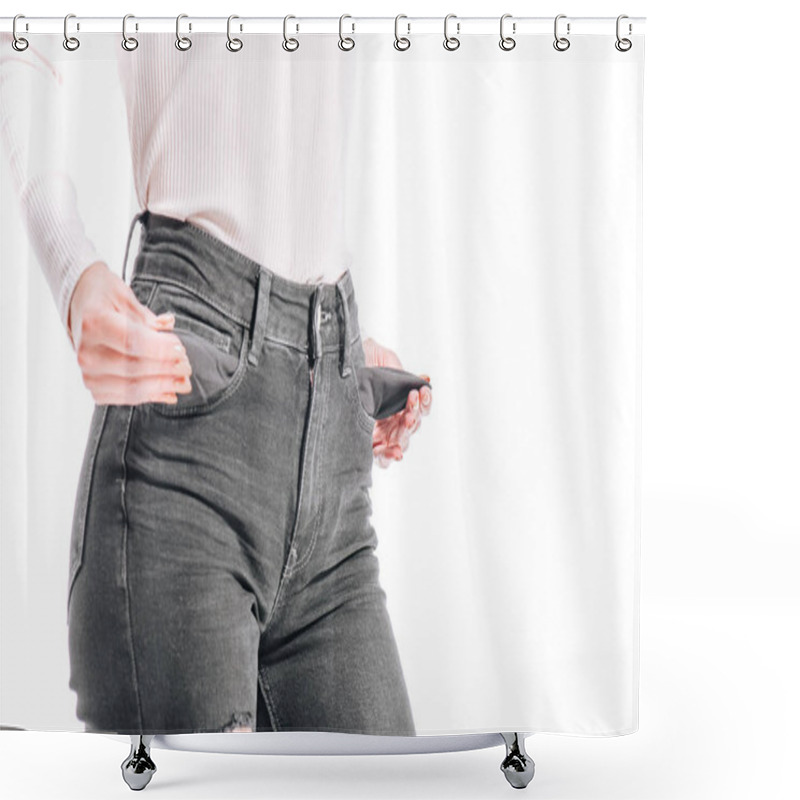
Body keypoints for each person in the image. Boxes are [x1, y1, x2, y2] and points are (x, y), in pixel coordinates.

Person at [0, 30, 432, 736]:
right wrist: (76, 276)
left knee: (390, 781)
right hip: (187, 419)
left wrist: (332, 359)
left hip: (332, 440)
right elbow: (20, 44)